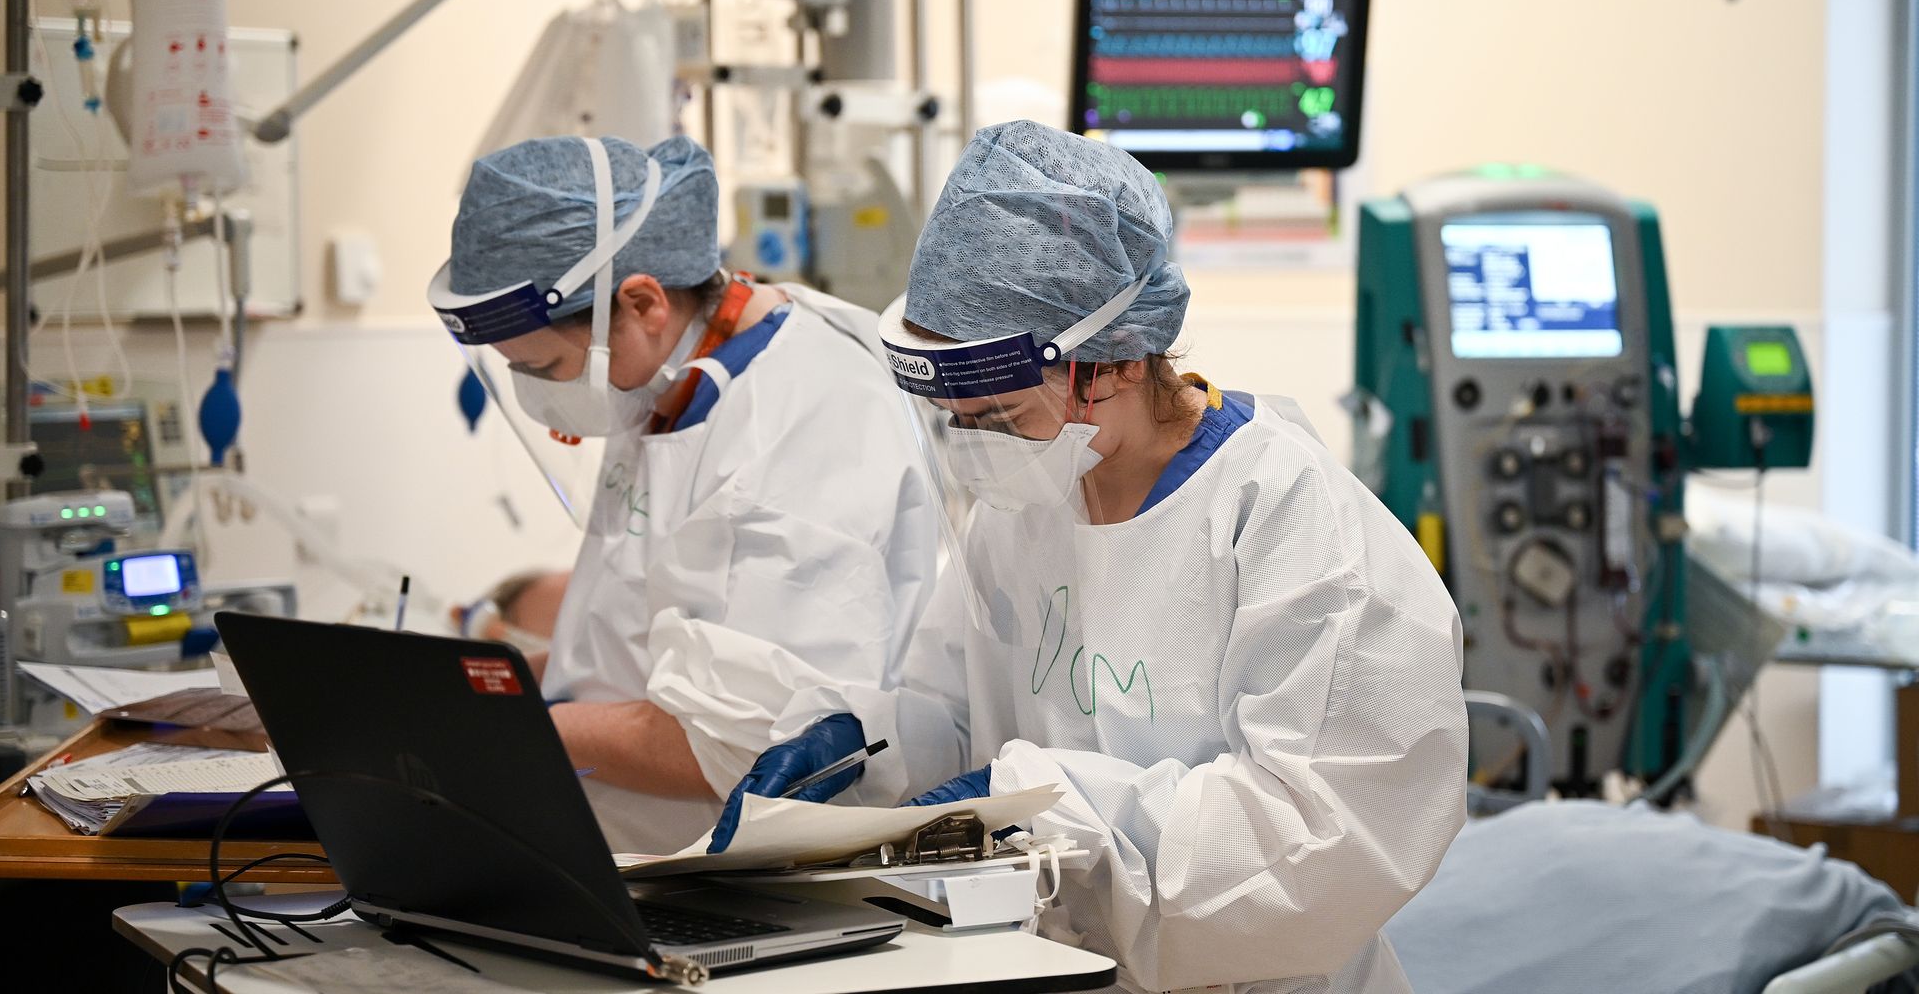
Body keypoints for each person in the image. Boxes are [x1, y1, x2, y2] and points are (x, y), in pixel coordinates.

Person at [709, 121, 1469, 993]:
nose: (973, 446)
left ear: (1105, 366)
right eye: (955, 418)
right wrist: (863, 751)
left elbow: (1323, 847)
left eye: (994, 417)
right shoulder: (1027, 503)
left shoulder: (1293, 527)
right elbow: (965, 717)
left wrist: (1047, 808)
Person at [428, 134, 959, 854]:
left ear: (642, 300)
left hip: (748, 883)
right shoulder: (662, 378)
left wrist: (488, 729)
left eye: (547, 367)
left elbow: (742, 747)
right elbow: (633, 641)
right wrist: (460, 688)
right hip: (622, 846)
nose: (540, 397)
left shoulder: (802, 423)